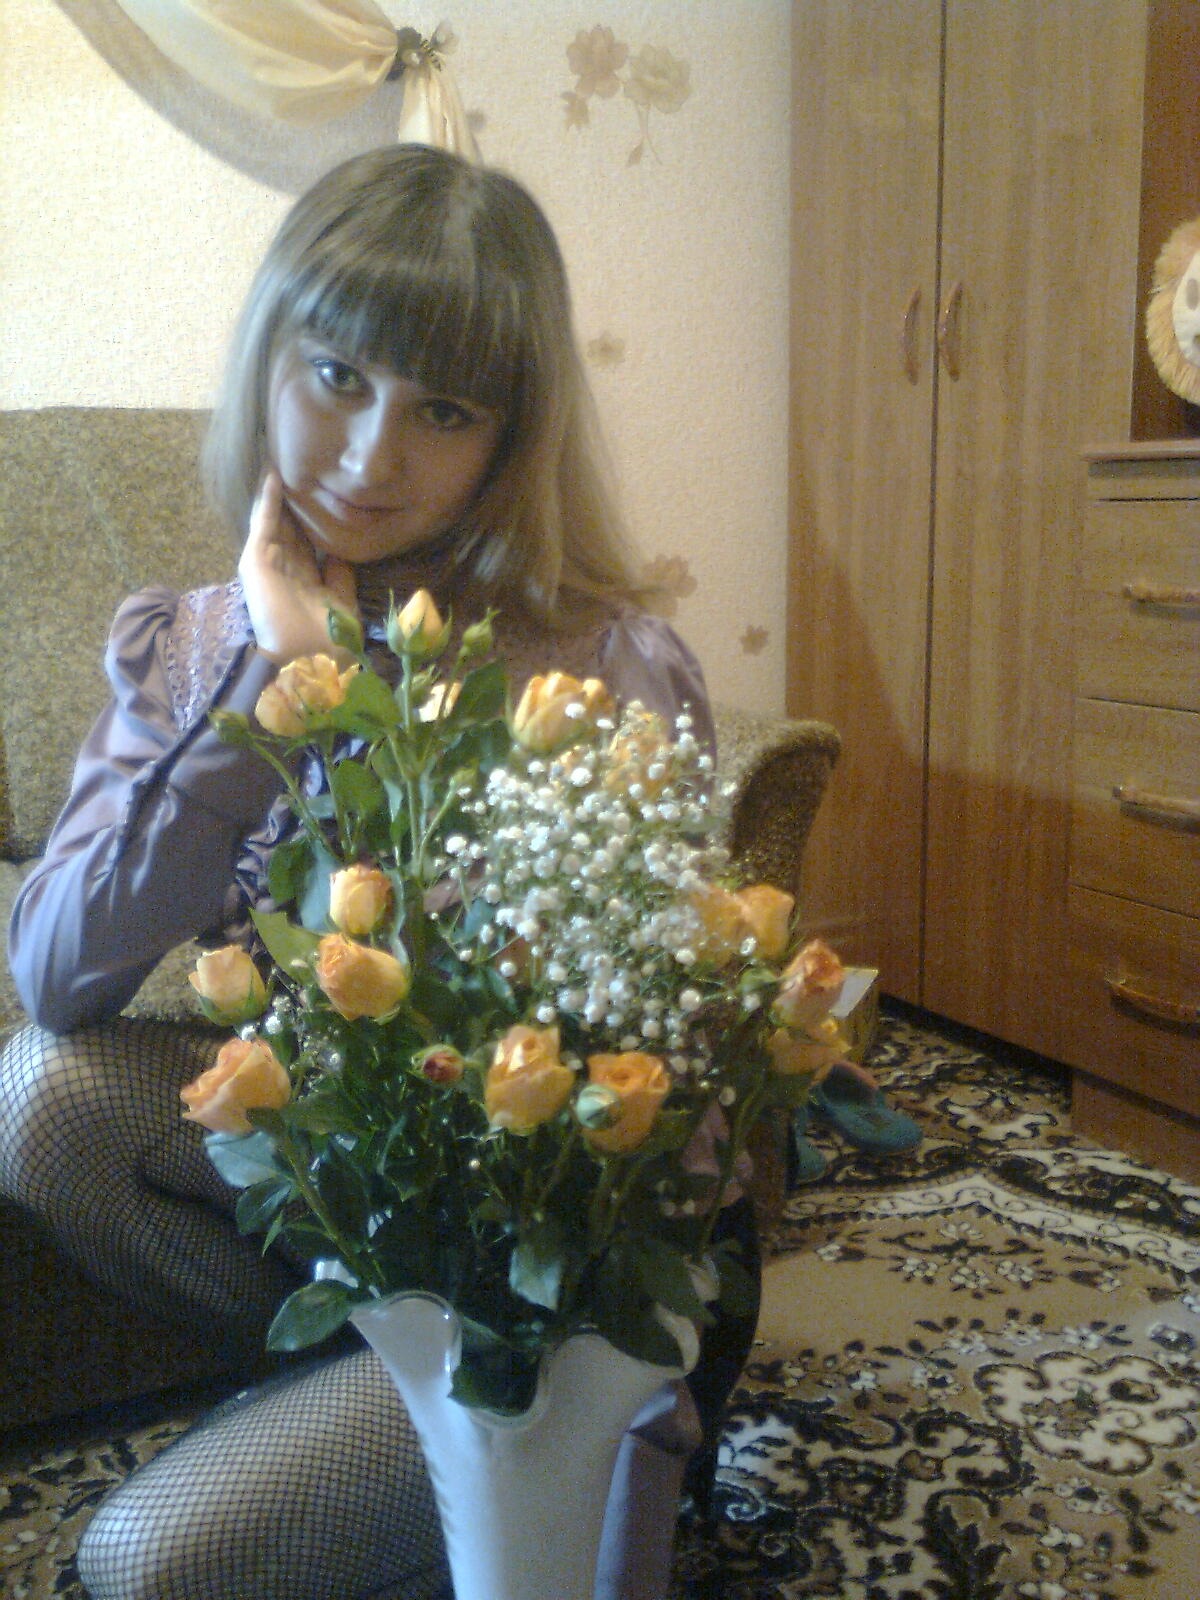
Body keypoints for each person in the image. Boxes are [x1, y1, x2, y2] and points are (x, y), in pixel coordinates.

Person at [0, 144, 759, 1599]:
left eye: (443, 410)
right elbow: (54, 976)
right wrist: (271, 684)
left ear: (509, 437)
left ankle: (504, 1457)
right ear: (269, 357)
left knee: (143, 1565)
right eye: (337, 375)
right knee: (44, 1099)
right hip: (361, 1234)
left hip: (562, 1287)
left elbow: (662, 1097)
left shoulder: (600, 666)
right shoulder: (193, 643)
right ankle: (349, 1400)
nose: (368, 456)